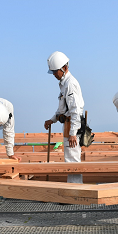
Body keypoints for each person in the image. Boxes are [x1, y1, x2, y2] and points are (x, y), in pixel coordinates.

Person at [44, 51, 84, 184]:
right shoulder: (64, 83)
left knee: (72, 160)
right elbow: (63, 108)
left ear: (64, 68)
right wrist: (52, 119)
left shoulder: (70, 84)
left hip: (72, 127)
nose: (54, 74)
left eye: (56, 71)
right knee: (70, 159)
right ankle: (73, 189)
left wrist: (73, 133)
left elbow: (75, 110)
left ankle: (75, 190)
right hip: (68, 125)